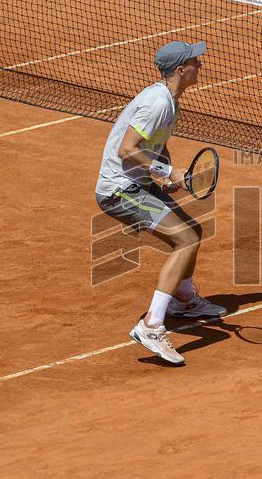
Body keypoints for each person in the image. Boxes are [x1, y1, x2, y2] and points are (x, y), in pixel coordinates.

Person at [95, 41, 225, 365]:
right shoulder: (158, 103)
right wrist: (166, 171)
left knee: (192, 230)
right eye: (195, 61)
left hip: (136, 183)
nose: (201, 65)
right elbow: (128, 149)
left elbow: (154, 147)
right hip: (119, 190)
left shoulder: (170, 101)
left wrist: (164, 179)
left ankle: (182, 299)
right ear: (181, 70)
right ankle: (151, 325)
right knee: (185, 239)